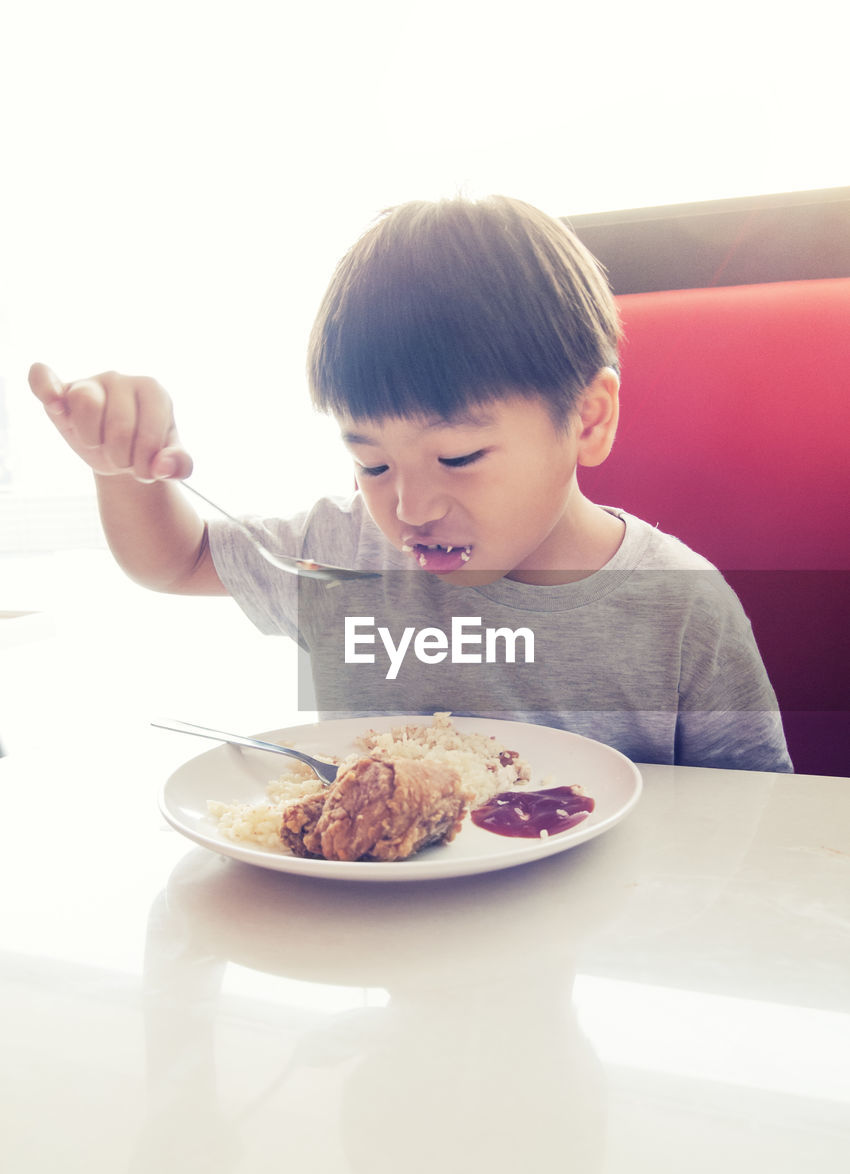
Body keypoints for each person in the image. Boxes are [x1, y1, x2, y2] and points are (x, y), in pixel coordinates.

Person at [29, 195, 792, 770]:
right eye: (372, 463)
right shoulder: (338, 558)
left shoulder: (681, 609)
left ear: (588, 420)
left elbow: (755, 828)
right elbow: (174, 560)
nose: (409, 508)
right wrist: (120, 468)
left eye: (458, 457)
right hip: (377, 959)